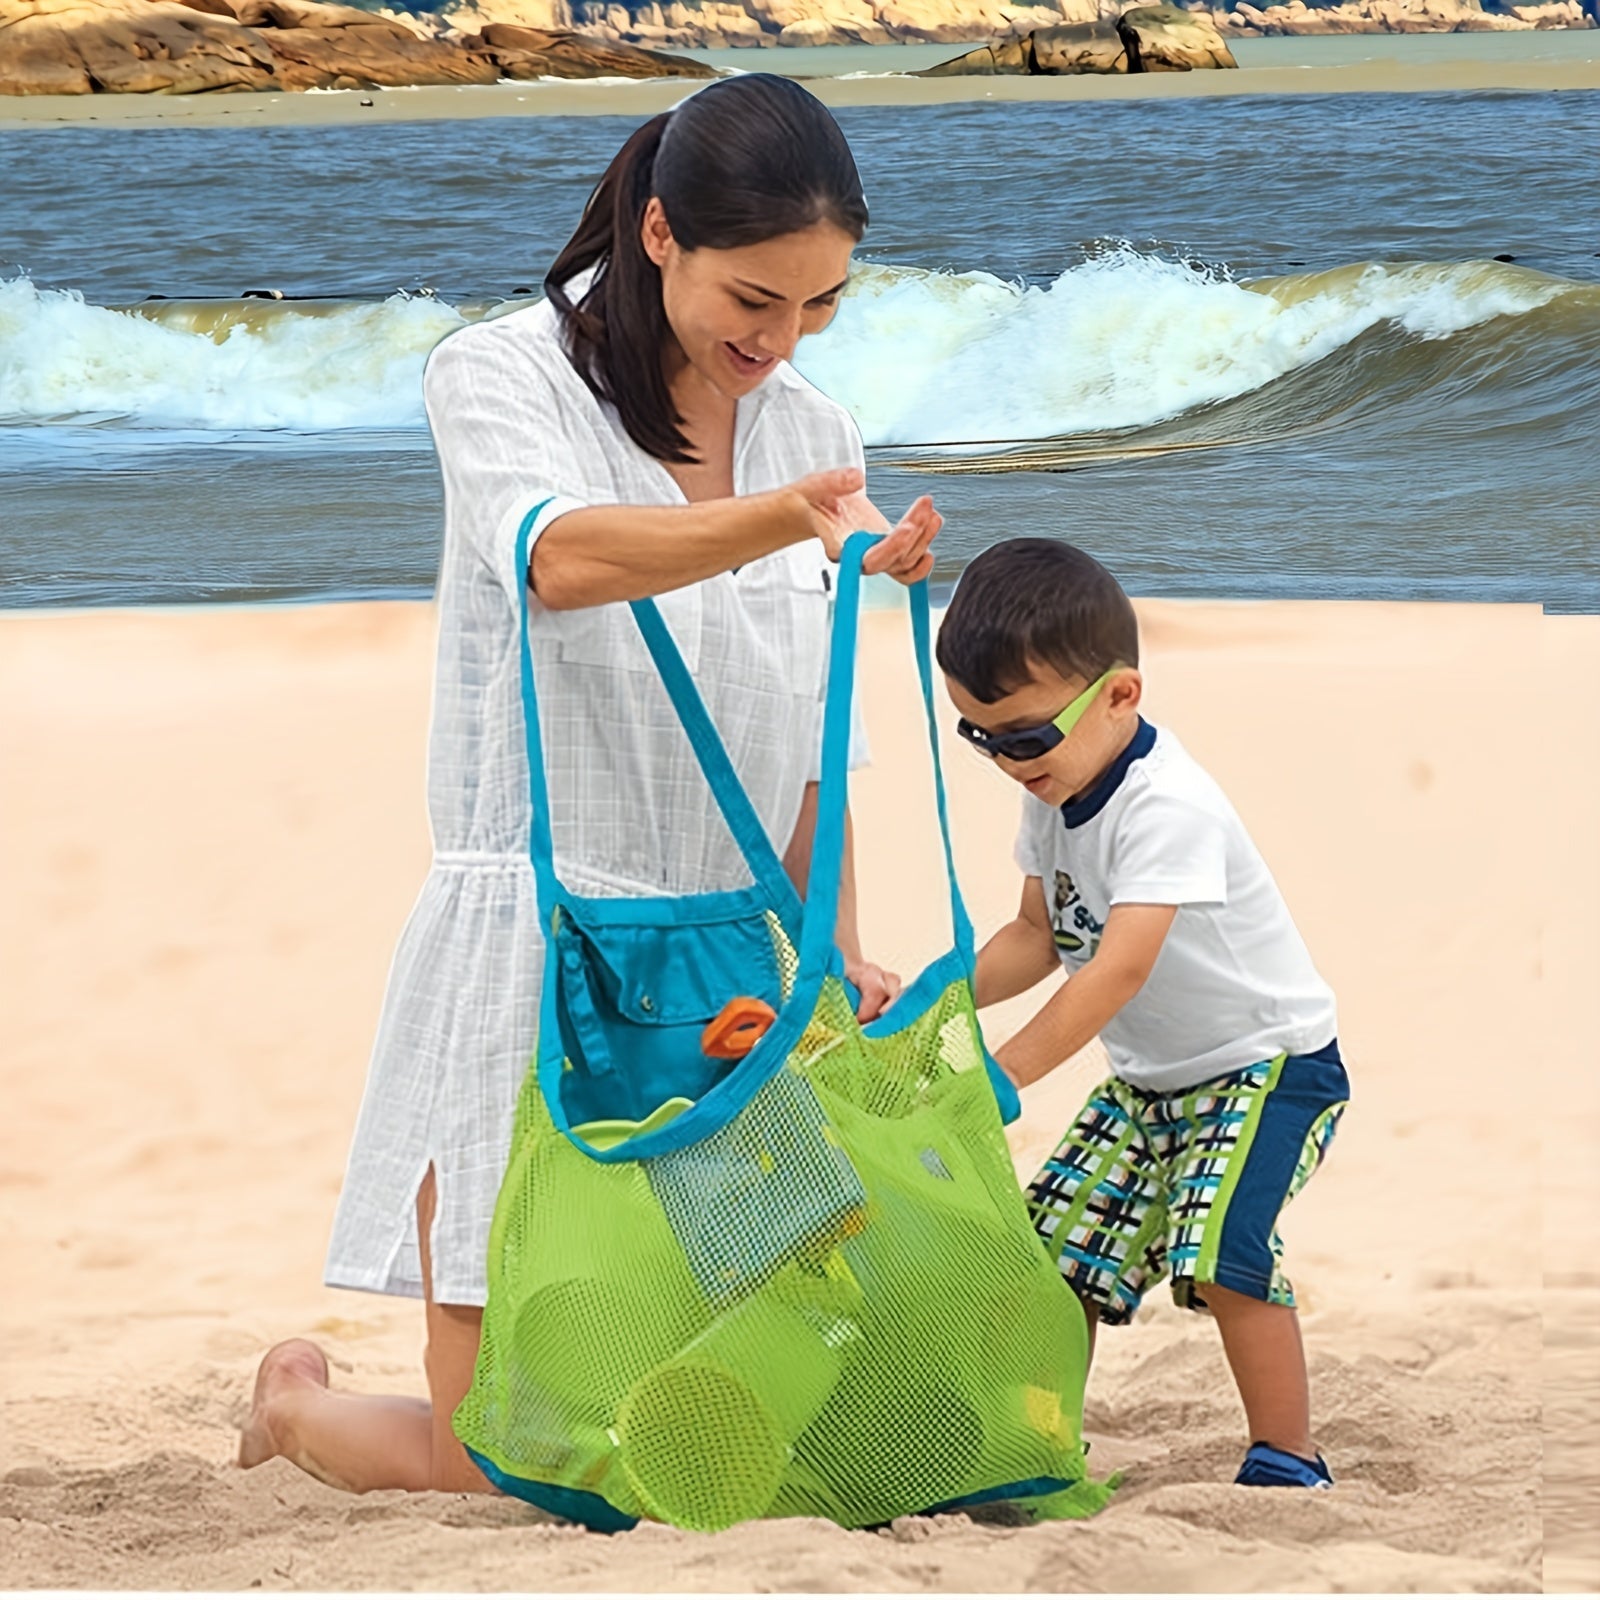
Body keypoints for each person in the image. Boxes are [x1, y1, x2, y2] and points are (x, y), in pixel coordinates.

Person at [238, 74, 942, 1495]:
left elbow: (817, 734)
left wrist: (836, 941)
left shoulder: (812, 429)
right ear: (662, 232)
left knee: (762, 1411)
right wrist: (785, 523)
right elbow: (558, 560)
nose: (781, 339)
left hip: (737, 968)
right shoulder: (499, 376)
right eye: (757, 298)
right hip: (539, 940)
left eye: (819, 307)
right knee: (506, 1455)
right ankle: (297, 1404)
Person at [937, 538, 1348, 1490]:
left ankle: (1290, 1455)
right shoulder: (1056, 789)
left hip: (1269, 1071)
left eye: (1025, 735)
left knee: (1222, 1254)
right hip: (1152, 1084)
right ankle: (1040, 1444)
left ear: (1121, 694)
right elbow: (1037, 936)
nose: (1004, 760)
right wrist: (936, 996)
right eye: (979, 736)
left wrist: (1002, 1076)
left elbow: (1115, 970)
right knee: (1055, 1256)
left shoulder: (1169, 806)